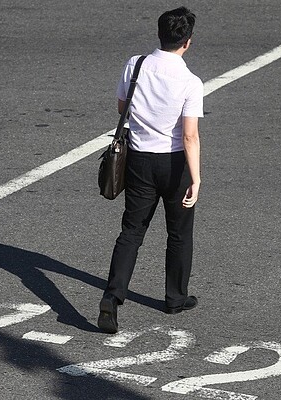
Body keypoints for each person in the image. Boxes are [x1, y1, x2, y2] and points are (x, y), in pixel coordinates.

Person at [98, 6, 204, 333]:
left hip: (139, 161)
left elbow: (121, 106)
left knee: (131, 232)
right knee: (179, 233)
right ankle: (175, 298)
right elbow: (189, 135)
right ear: (187, 41)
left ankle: (112, 298)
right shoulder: (190, 82)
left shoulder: (136, 64)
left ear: (160, 35)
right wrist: (196, 179)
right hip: (173, 165)